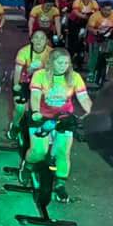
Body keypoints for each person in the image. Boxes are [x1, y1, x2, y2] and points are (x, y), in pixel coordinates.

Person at [24, 48, 93, 202]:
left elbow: (84, 98)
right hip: (41, 117)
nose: (63, 66)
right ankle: (27, 166)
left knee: (63, 152)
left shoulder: (74, 77)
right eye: (60, 62)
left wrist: (92, 113)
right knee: (38, 152)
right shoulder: (40, 75)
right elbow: (35, 96)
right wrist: (35, 111)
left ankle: (60, 184)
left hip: (64, 118)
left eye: (66, 63)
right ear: (51, 62)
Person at [9, 30, 51, 139]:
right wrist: (16, 85)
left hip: (42, 86)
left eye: (42, 38)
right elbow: (18, 71)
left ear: (47, 41)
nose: (39, 41)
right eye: (36, 37)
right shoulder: (24, 52)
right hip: (24, 82)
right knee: (20, 108)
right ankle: (15, 125)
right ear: (31, 40)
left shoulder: (51, 54)